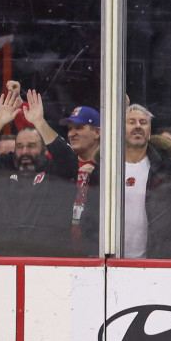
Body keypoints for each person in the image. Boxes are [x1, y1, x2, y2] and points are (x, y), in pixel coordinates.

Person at [0, 88, 77, 257]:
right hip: (3, 264)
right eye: (19, 147)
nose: (24, 152)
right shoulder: (6, 168)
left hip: (50, 264)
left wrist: (39, 122)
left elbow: (68, 159)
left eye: (31, 146)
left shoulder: (56, 171)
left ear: (44, 150)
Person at [124, 104, 171, 259]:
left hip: (153, 263)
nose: (138, 126)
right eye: (132, 122)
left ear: (150, 132)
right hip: (108, 263)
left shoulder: (169, 171)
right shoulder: (106, 169)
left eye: (143, 122)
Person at [61, 105, 101, 255]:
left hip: (95, 252)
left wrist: (98, 174)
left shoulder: (110, 167)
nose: (72, 134)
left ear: (97, 132)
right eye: (70, 129)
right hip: (64, 252)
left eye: (79, 127)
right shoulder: (63, 166)